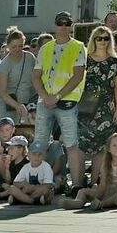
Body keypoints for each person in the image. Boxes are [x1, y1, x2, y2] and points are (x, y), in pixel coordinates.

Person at [32, 12, 88, 193]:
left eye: (67, 23)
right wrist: (44, 96)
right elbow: (35, 76)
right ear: (55, 25)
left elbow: (78, 75)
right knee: (39, 143)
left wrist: (56, 96)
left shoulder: (79, 47)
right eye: (60, 23)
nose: (63, 26)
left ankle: (77, 184)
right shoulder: (45, 48)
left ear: (71, 26)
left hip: (67, 101)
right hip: (45, 100)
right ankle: (37, 181)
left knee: (71, 144)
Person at [76, 27, 117, 159]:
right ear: (93, 40)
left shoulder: (114, 61)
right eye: (99, 38)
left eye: (106, 38)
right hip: (86, 105)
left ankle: (96, 179)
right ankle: (80, 178)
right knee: (82, 144)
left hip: (106, 107)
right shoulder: (85, 59)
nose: (103, 41)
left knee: (103, 146)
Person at [70, 132, 117, 210]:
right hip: (108, 188)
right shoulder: (106, 162)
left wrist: (102, 199)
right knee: (83, 191)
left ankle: (102, 204)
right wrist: (97, 196)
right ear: (108, 148)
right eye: (114, 145)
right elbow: (103, 184)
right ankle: (78, 202)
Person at [0, 27, 37, 132]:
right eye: (14, 47)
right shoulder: (5, 64)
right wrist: (17, 106)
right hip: (7, 103)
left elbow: (35, 78)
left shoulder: (30, 58)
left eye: (20, 46)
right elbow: (2, 91)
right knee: (5, 134)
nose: (17, 49)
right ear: (8, 46)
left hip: (26, 102)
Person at [6, 138, 54, 205]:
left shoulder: (46, 167)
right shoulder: (26, 167)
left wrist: (33, 188)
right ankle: (32, 201)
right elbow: (15, 183)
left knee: (46, 190)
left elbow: (48, 185)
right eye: (34, 154)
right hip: (28, 191)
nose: (37, 157)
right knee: (11, 188)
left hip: (38, 191)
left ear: (44, 156)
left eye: (40, 154)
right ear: (28, 155)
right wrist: (24, 184)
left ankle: (21, 199)